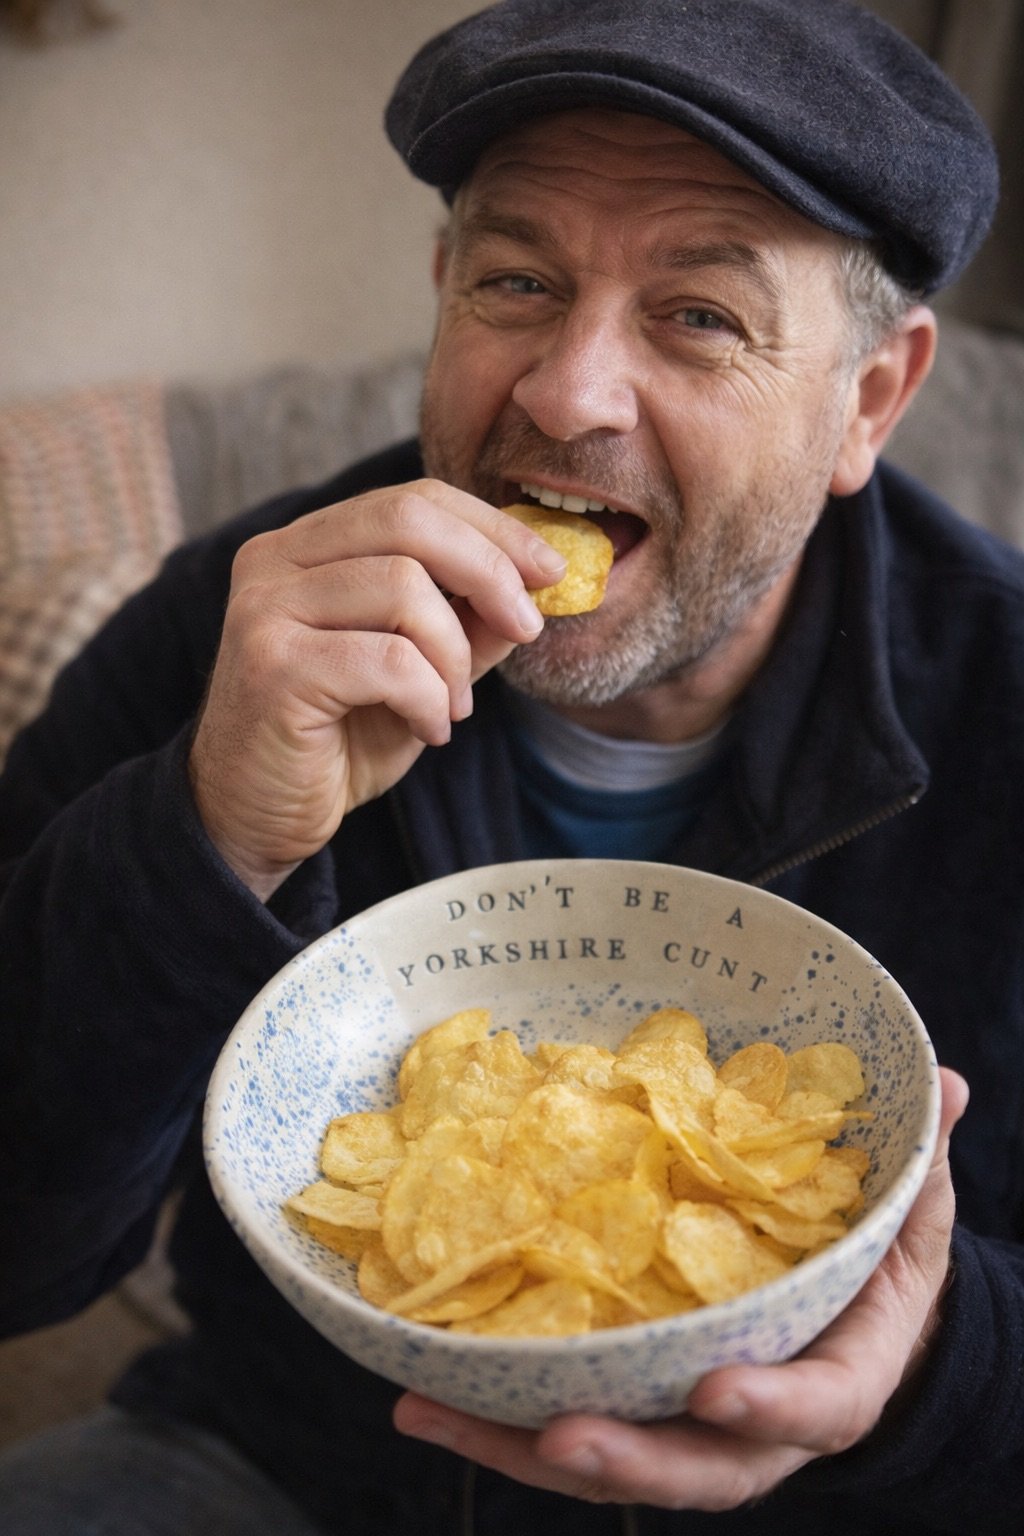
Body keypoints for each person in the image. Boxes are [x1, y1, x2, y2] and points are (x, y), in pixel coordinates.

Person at [0, 0, 1021, 1531]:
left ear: (868, 399)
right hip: (291, 1465)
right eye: (518, 281)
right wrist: (205, 834)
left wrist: (930, 1362)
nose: (564, 394)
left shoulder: (1008, 695)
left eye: (698, 315)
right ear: (440, 290)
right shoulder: (227, 638)